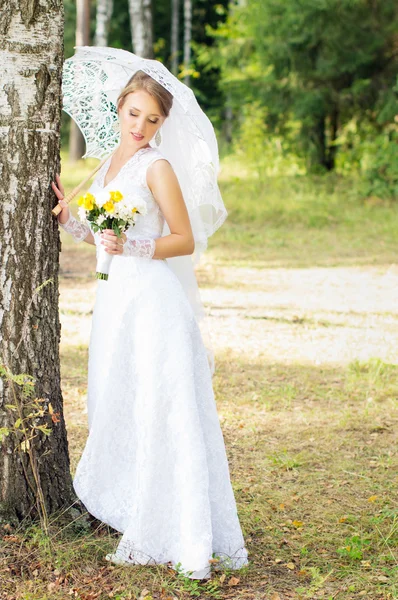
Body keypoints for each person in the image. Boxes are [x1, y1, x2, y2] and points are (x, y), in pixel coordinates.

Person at [52, 69, 249, 581]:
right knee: (120, 400)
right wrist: (67, 220)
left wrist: (132, 246)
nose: (140, 125)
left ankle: (178, 524)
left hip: (152, 300)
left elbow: (183, 239)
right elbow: (101, 237)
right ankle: (136, 504)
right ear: (120, 108)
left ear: (162, 123)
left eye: (152, 119)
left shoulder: (156, 166)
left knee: (162, 406)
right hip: (116, 300)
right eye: (134, 113)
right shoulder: (107, 165)